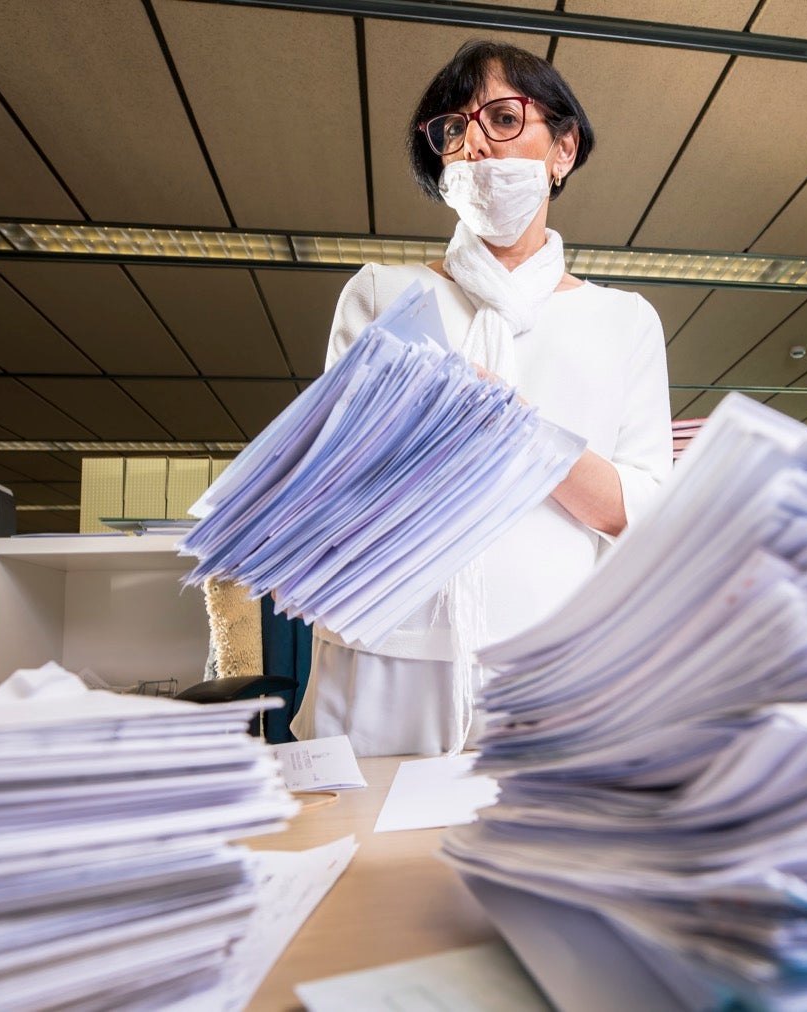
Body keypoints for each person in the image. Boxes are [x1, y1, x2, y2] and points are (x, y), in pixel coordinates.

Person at [290, 40, 673, 755]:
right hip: (387, 669)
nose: (475, 146)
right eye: (454, 130)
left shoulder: (622, 320)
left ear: (563, 148)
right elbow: (328, 491)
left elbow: (640, 510)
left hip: (550, 676)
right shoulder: (383, 294)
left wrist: (513, 429)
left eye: (503, 118)